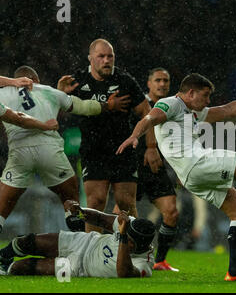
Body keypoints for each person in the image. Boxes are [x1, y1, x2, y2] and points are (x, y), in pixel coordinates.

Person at [117, 73, 236, 282]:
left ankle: (235, 271)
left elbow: (227, 110)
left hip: (192, 176)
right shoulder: (172, 103)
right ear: (190, 93)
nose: (208, 101)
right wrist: (133, 136)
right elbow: (150, 117)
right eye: (206, 95)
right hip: (196, 163)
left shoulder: (192, 112)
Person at [0, 66, 130, 233]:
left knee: (2, 210)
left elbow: (18, 116)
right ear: (36, 80)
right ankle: (76, 228)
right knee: (71, 201)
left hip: (19, 152)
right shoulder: (49, 91)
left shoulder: (3, 93)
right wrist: (108, 105)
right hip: (49, 151)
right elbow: (84, 107)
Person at [58, 39, 161, 233]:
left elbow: (147, 112)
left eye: (110, 56)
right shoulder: (78, 81)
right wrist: (59, 94)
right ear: (90, 59)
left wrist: (151, 146)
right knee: (95, 203)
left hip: (122, 150)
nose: (107, 60)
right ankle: (91, 254)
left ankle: (133, 251)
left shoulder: (124, 81)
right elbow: (58, 112)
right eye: (101, 56)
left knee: (126, 205)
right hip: (94, 150)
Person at [113, 67, 179, 271]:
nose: (162, 84)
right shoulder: (138, 103)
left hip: (156, 168)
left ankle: (160, 261)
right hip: (133, 165)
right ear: (148, 83)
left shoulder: (172, 107)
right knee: (120, 212)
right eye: (158, 80)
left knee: (171, 211)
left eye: (165, 81)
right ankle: (113, 252)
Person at [0, 200, 155, 278]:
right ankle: (2, 257)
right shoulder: (130, 224)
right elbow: (100, 219)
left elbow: (124, 272)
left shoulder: (144, 265)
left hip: (77, 267)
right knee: (27, 241)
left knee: (23, 267)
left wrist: (122, 235)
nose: (126, 241)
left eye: (130, 241)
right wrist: (79, 212)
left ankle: (5, 268)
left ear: (140, 245)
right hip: (82, 242)